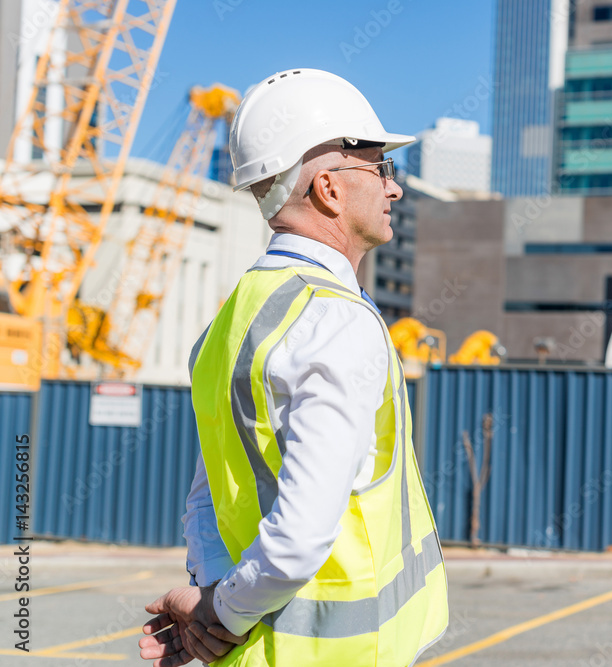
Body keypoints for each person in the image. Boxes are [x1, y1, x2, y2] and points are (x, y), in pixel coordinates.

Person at [138, 68, 449, 667]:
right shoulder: (337, 321)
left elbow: (209, 500)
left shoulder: (228, 323)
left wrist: (211, 609)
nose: (395, 189)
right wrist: (219, 613)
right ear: (329, 188)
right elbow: (300, 536)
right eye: (381, 168)